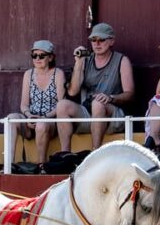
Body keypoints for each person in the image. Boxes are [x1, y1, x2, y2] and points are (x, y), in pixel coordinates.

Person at [55, 23, 134, 151]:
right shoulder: (86, 60)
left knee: (98, 103)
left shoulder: (122, 60)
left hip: (113, 114)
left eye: (101, 40)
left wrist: (110, 98)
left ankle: (95, 151)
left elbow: (130, 94)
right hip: (89, 112)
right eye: (93, 40)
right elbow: (73, 91)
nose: (97, 44)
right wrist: (79, 63)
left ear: (111, 41)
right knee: (62, 105)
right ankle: (65, 154)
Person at [8, 40, 66, 164]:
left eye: (41, 56)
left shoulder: (58, 74)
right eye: (34, 56)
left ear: (50, 57)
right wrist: (29, 116)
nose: (37, 59)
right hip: (31, 120)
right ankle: (9, 165)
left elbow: (61, 105)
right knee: (11, 119)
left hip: (50, 122)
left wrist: (43, 117)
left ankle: (41, 165)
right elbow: (24, 104)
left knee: (41, 124)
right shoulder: (28, 74)